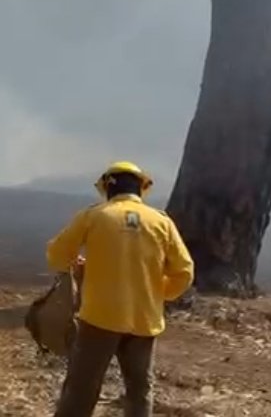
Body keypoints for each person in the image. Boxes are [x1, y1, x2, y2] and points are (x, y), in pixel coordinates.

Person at [47, 161, 195, 417]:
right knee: (139, 391)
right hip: (144, 321)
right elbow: (184, 272)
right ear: (141, 188)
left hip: (99, 318)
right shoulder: (161, 221)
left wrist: (75, 266)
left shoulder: (94, 216)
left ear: (107, 187)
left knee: (82, 387)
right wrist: (158, 293)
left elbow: (57, 254)